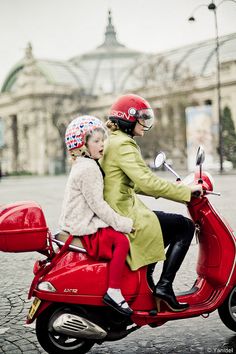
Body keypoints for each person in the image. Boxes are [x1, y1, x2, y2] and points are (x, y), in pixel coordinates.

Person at [100, 94, 203, 312]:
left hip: (119, 208)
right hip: (125, 213)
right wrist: (185, 191)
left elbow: (130, 182)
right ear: (128, 120)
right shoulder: (125, 145)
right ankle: (164, 287)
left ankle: (146, 280)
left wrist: (170, 187)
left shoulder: (113, 141)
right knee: (184, 226)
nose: (144, 123)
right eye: (141, 118)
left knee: (163, 224)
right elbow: (147, 182)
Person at [59, 115, 134, 316]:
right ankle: (114, 291)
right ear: (82, 145)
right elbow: (98, 205)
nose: (102, 144)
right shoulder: (89, 168)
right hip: (81, 226)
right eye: (96, 141)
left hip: (79, 221)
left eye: (103, 139)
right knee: (121, 241)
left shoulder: (83, 164)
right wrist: (123, 224)